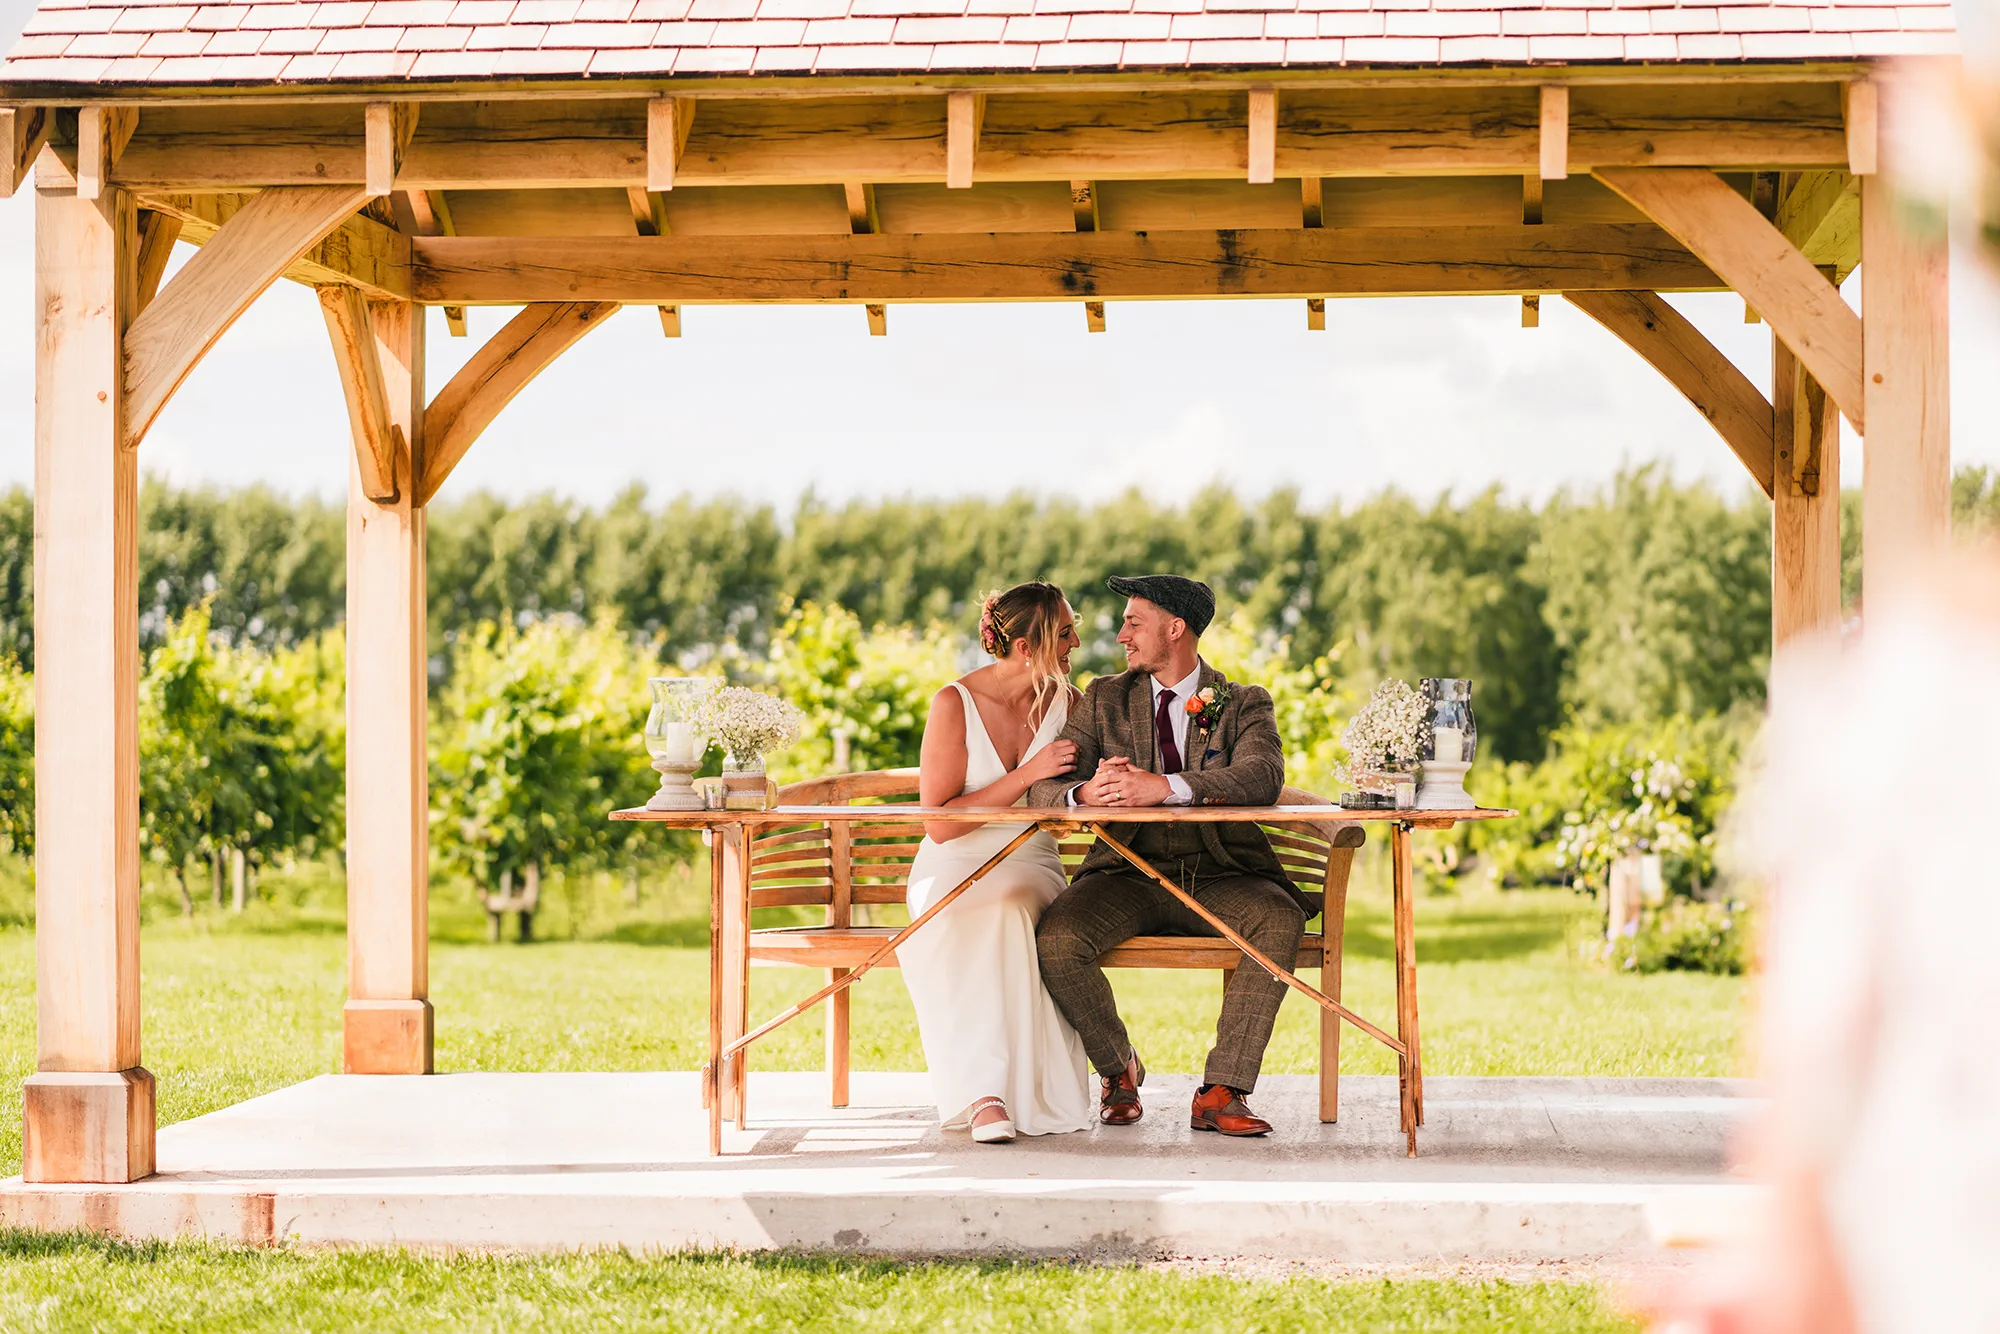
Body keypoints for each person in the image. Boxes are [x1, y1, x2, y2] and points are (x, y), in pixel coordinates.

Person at [1030, 574, 1307, 1139]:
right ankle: (1118, 1069)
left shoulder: (1243, 702)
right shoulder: (1104, 698)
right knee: (1057, 940)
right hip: (1124, 872)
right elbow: (1043, 789)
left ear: (1175, 629)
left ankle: (1221, 1092)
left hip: (1222, 873)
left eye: (1134, 623)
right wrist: (1087, 794)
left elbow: (1262, 776)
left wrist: (1166, 787)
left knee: (1280, 918)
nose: (1122, 636)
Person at [899, 581, 1094, 1143]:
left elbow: (1077, 796)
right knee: (952, 911)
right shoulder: (953, 704)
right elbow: (939, 824)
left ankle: (1012, 1091)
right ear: (1026, 647)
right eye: (1064, 632)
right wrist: (1029, 774)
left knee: (1006, 905)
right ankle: (982, 1094)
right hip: (953, 857)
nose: (1076, 643)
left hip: (1030, 857)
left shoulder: (1071, 705)